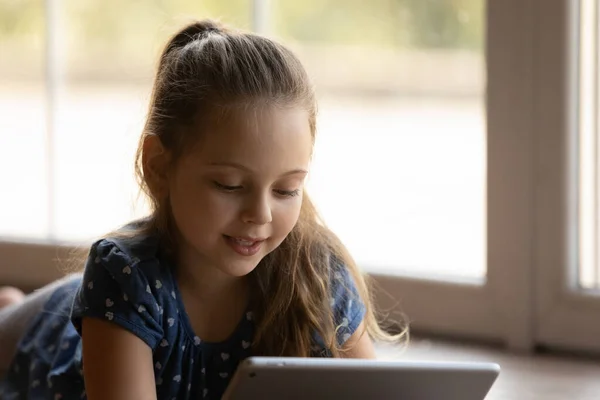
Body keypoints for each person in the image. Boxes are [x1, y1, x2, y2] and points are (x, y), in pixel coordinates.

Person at [0, 19, 405, 400]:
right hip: (43, 340)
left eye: (287, 189)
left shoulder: (317, 271)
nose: (260, 214)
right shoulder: (122, 273)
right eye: (229, 185)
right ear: (158, 166)